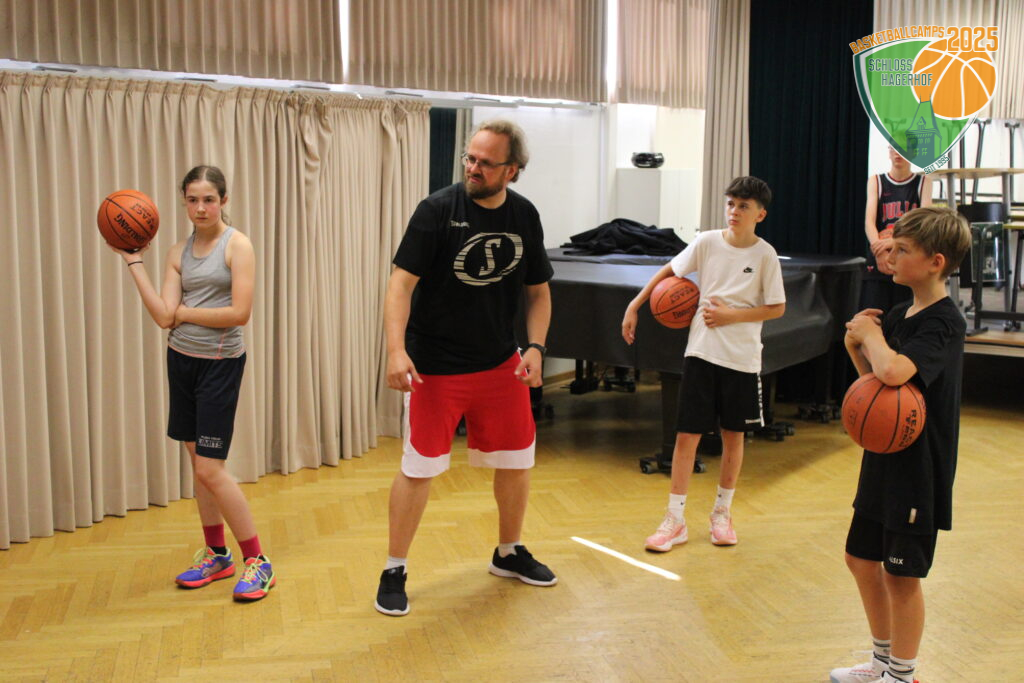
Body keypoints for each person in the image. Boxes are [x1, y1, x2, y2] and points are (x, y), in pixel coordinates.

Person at [375, 120, 555, 617]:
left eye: (485, 163)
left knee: (516, 460)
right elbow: (400, 285)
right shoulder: (436, 210)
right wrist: (395, 350)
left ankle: (508, 552)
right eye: (469, 158)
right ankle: (394, 568)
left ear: (512, 170)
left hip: (500, 363)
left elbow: (539, 292)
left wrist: (536, 347)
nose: (473, 168)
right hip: (435, 367)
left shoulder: (524, 215)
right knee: (419, 468)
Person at [109, 166, 275, 601]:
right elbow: (162, 316)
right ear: (184, 202)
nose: (201, 208)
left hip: (220, 365)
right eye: (193, 200)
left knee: (209, 468)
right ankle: (217, 555)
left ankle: (258, 561)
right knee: (196, 466)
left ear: (223, 200)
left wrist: (181, 312)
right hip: (181, 361)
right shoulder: (177, 252)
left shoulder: (237, 246)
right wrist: (133, 262)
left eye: (209, 199)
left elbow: (239, 313)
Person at [830, 206, 970, 683]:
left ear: (935, 262)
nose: (890, 255)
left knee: (901, 575)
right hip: (884, 460)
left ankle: (903, 675)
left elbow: (894, 371)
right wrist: (855, 345)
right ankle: (881, 662)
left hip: (919, 470)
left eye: (903, 249)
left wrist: (871, 335)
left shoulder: (944, 322)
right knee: (860, 559)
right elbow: (877, 388)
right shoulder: (897, 315)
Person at [621, 176, 786, 551]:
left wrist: (731, 316)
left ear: (760, 214)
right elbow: (670, 271)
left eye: (743, 206)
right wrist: (635, 304)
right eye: (730, 204)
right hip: (701, 351)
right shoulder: (707, 241)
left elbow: (777, 307)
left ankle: (721, 513)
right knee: (686, 436)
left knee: (733, 437)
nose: (734, 211)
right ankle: (674, 519)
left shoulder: (765, 255)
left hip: (742, 358)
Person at [861, 145, 933, 312]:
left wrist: (894, 242)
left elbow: (924, 224)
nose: (897, 153)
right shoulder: (876, 181)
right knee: (874, 313)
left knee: (904, 314)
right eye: (893, 148)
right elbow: (869, 222)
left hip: (907, 256)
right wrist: (879, 251)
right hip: (880, 255)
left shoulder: (923, 183)